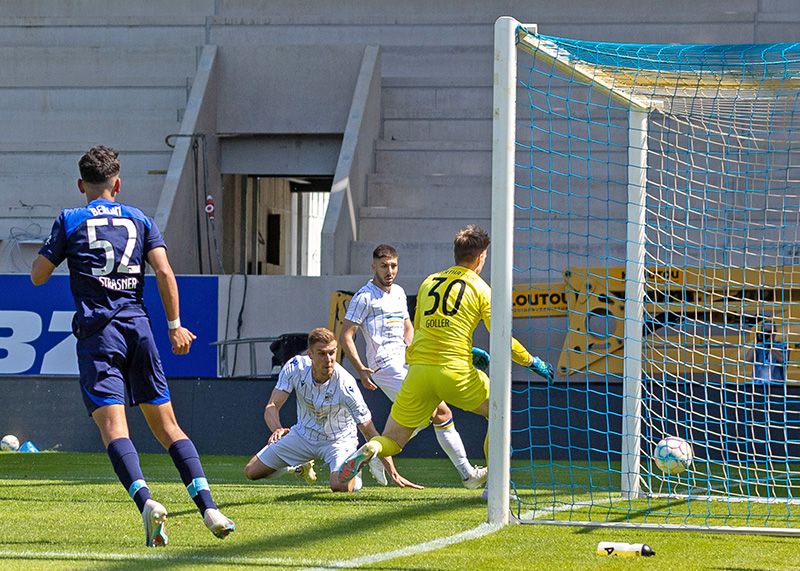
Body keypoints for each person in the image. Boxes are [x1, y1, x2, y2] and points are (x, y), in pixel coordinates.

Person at [30, 146, 234, 547]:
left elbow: (38, 275)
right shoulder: (139, 219)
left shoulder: (70, 219)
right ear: (117, 184)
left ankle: (145, 501)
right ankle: (208, 506)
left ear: (80, 185)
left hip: (98, 334)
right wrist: (175, 326)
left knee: (114, 429)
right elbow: (163, 271)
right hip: (138, 329)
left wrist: (63, 255)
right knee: (169, 426)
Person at [337, 225, 553, 490]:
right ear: (480, 258)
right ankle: (493, 488)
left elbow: (421, 333)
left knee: (394, 438)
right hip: (453, 372)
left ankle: (372, 447)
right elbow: (501, 338)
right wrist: (531, 361)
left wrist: (470, 351)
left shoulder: (429, 282)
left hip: (418, 373)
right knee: (499, 412)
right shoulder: (481, 288)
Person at [339, 244, 487, 489]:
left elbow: (408, 327)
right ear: (373, 266)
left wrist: (413, 347)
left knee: (425, 417)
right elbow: (346, 334)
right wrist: (361, 368)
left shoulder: (398, 292)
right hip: (384, 367)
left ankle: (376, 450)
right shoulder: (364, 297)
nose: (389, 271)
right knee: (441, 412)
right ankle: (468, 475)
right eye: (384, 266)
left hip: (408, 362)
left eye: (394, 266)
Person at [243, 327, 421, 491]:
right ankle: (298, 466)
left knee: (339, 487)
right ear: (310, 354)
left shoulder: (346, 384)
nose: (328, 359)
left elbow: (369, 431)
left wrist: (393, 472)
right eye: (321, 354)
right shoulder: (295, 367)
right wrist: (277, 429)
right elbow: (272, 406)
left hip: (338, 441)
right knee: (252, 471)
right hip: (302, 435)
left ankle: (354, 473)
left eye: (332, 353)